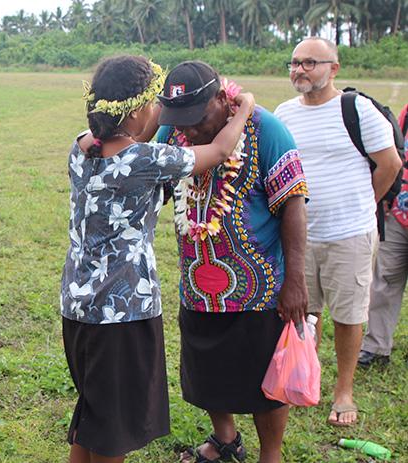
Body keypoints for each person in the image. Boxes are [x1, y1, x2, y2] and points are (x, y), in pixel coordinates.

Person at [59, 55, 255, 463]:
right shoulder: (145, 160)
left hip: (77, 308)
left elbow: (108, 137)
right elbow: (218, 151)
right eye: (155, 105)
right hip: (122, 313)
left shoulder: (81, 148)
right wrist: (247, 107)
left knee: (94, 414)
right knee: (115, 429)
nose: (161, 114)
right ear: (136, 111)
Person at [157, 61, 309, 463]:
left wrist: (295, 280)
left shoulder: (266, 129)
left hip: (259, 288)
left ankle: (270, 455)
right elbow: (154, 178)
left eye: (196, 119)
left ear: (223, 99)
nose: (187, 131)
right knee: (204, 369)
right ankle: (226, 440)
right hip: (198, 282)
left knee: (265, 382)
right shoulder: (173, 131)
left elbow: (293, 203)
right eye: (180, 121)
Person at [274, 37, 402, 427]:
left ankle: (343, 391)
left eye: (310, 62)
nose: (300, 69)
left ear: (334, 67)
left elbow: (390, 164)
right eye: (295, 62)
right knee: (300, 311)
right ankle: (301, 376)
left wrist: (363, 204)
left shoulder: (356, 109)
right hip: (298, 236)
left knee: (347, 315)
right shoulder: (283, 113)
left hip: (349, 234)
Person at [358, 103, 408, 366]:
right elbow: (396, 153)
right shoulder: (407, 111)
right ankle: (376, 348)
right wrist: (387, 197)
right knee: (385, 280)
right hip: (401, 210)